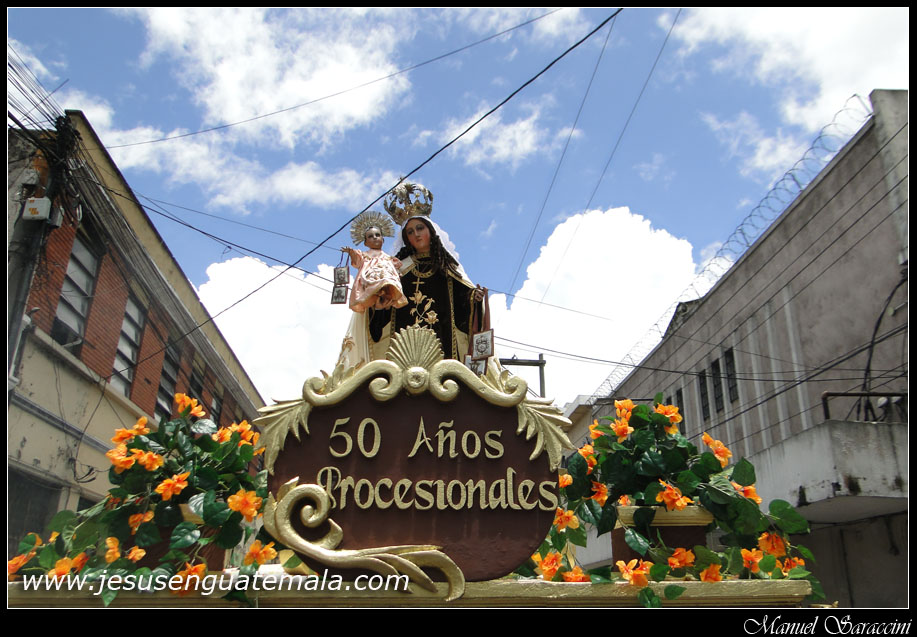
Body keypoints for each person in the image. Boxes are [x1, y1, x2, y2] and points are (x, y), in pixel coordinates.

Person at [368, 214, 485, 361]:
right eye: (410, 232)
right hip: (403, 348)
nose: (416, 234)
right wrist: (378, 305)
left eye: (420, 228)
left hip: (442, 346)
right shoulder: (399, 270)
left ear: (430, 231)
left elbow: (463, 304)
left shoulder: (446, 267)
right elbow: (383, 310)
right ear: (406, 238)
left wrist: (474, 298)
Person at [341, 212, 408, 313]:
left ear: (383, 240)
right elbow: (357, 260)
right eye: (370, 236)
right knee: (372, 285)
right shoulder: (364, 255)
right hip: (370, 278)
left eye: (377, 235)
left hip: (386, 278)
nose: (375, 237)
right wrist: (351, 252)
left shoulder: (387, 258)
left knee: (389, 281)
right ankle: (376, 299)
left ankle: (386, 298)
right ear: (365, 243)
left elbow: (395, 268)